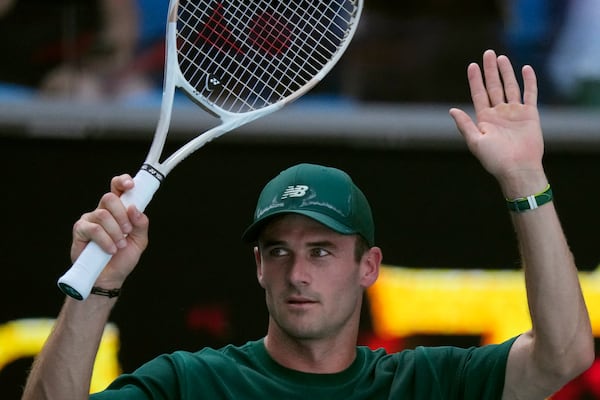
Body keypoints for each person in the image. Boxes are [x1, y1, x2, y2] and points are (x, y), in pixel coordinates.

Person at [21, 49, 593, 399]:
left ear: (368, 266)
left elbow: (565, 355)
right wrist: (96, 285)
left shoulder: (427, 383)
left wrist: (524, 181)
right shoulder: (192, 383)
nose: (297, 272)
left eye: (321, 250)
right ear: (258, 267)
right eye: (279, 251)